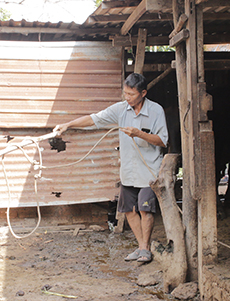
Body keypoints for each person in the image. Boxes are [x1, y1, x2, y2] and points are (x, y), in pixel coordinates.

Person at [53, 73, 168, 263]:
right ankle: (141, 247)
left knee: (145, 208)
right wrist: (68, 124)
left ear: (143, 93)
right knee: (129, 209)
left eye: (131, 94)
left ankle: (146, 249)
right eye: (125, 93)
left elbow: (163, 140)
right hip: (129, 170)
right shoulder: (121, 109)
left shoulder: (156, 111)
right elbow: (94, 119)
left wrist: (139, 134)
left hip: (149, 169)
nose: (127, 98)